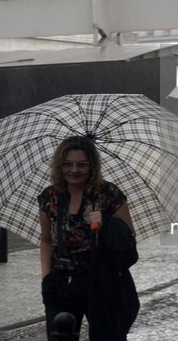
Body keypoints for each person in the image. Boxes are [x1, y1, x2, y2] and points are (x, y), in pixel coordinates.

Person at [38, 136, 139, 341]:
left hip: (102, 282)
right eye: (67, 164)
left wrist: (106, 224)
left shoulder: (108, 194)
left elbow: (129, 241)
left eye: (81, 164)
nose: (74, 170)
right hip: (62, 280)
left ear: (92, 166)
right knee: (60, 337)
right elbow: (46, 240)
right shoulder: (50, 196)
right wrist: (46, 277)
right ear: (59, 165)